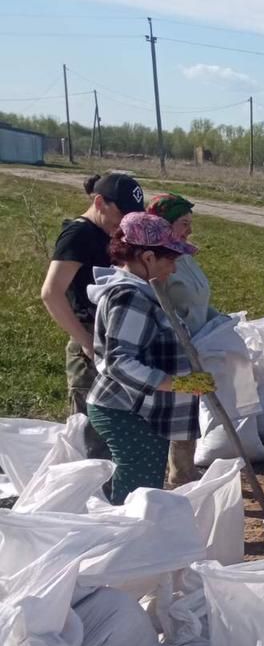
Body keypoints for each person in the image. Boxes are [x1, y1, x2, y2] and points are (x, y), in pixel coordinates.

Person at [83, 212, 209, 504]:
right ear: (148, 257)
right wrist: (178, 384)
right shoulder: (130, 297)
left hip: (140, 409)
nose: (174, 269)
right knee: (138, 489)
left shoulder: (144, 291)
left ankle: (128, 534)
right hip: (124, 409)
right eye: (171, 260)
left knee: (146, 484)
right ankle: (125, 540)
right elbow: (118, 361)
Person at [40, 172, 146, 458]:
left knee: (115, 430)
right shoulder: (79, 235)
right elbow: (51, 293)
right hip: (90, 344)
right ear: (99, 202)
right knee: (91, 435)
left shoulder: (108, 234)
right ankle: (87, 497)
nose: (124, 223)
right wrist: (86, 341)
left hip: (114, 338)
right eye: (121, 214)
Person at [145, 192, 219, 486]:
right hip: (172, 351)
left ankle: (183, 473)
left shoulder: (185, 256)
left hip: (196, 344)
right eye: (183, 223)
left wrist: (218, 319)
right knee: (177, 412)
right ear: (163, 225)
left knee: (188, 412)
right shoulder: (156, 262)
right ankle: (175, 479)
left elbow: (197, 300)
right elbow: (160, 307)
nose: (189, 230)